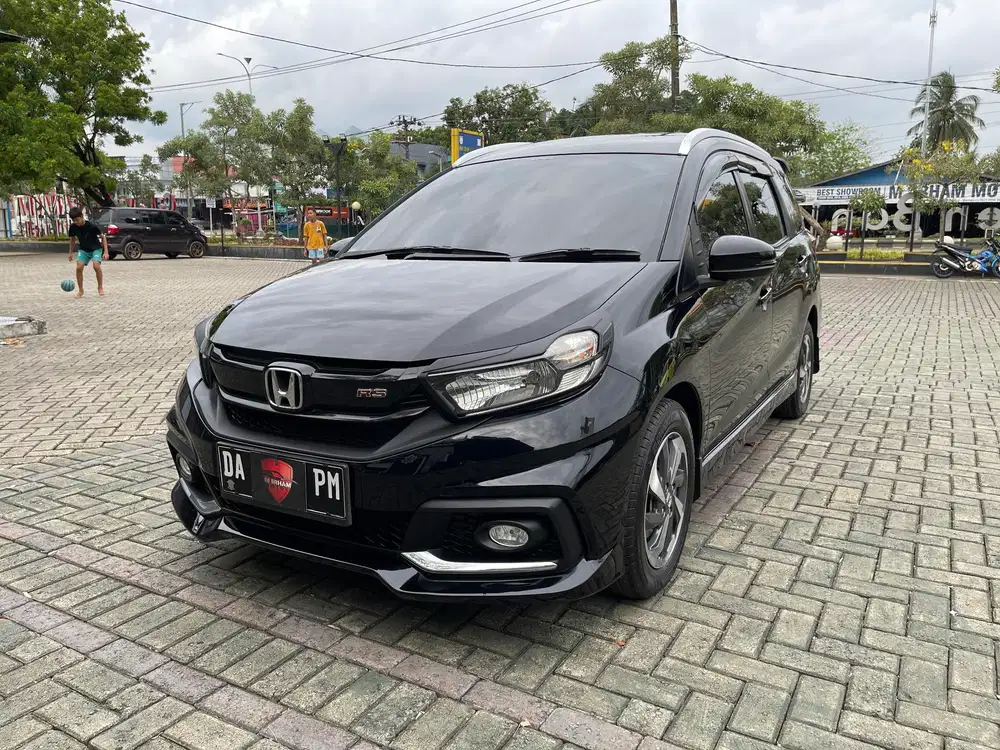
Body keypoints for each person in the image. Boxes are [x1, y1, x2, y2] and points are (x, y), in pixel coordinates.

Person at [67, 207, 109, 297]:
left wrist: (106, 252)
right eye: (74, 220)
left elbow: (103, 237)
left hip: (96, 249)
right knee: (79, 267)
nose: (76, 222)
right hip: (83, 249)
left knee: (96, 265)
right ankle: (80, 291)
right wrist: (70, 252)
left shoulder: (92, 226)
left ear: (82, 216)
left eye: (77, 220)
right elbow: (72, 239)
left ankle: (100, 287)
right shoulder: (73, 227)